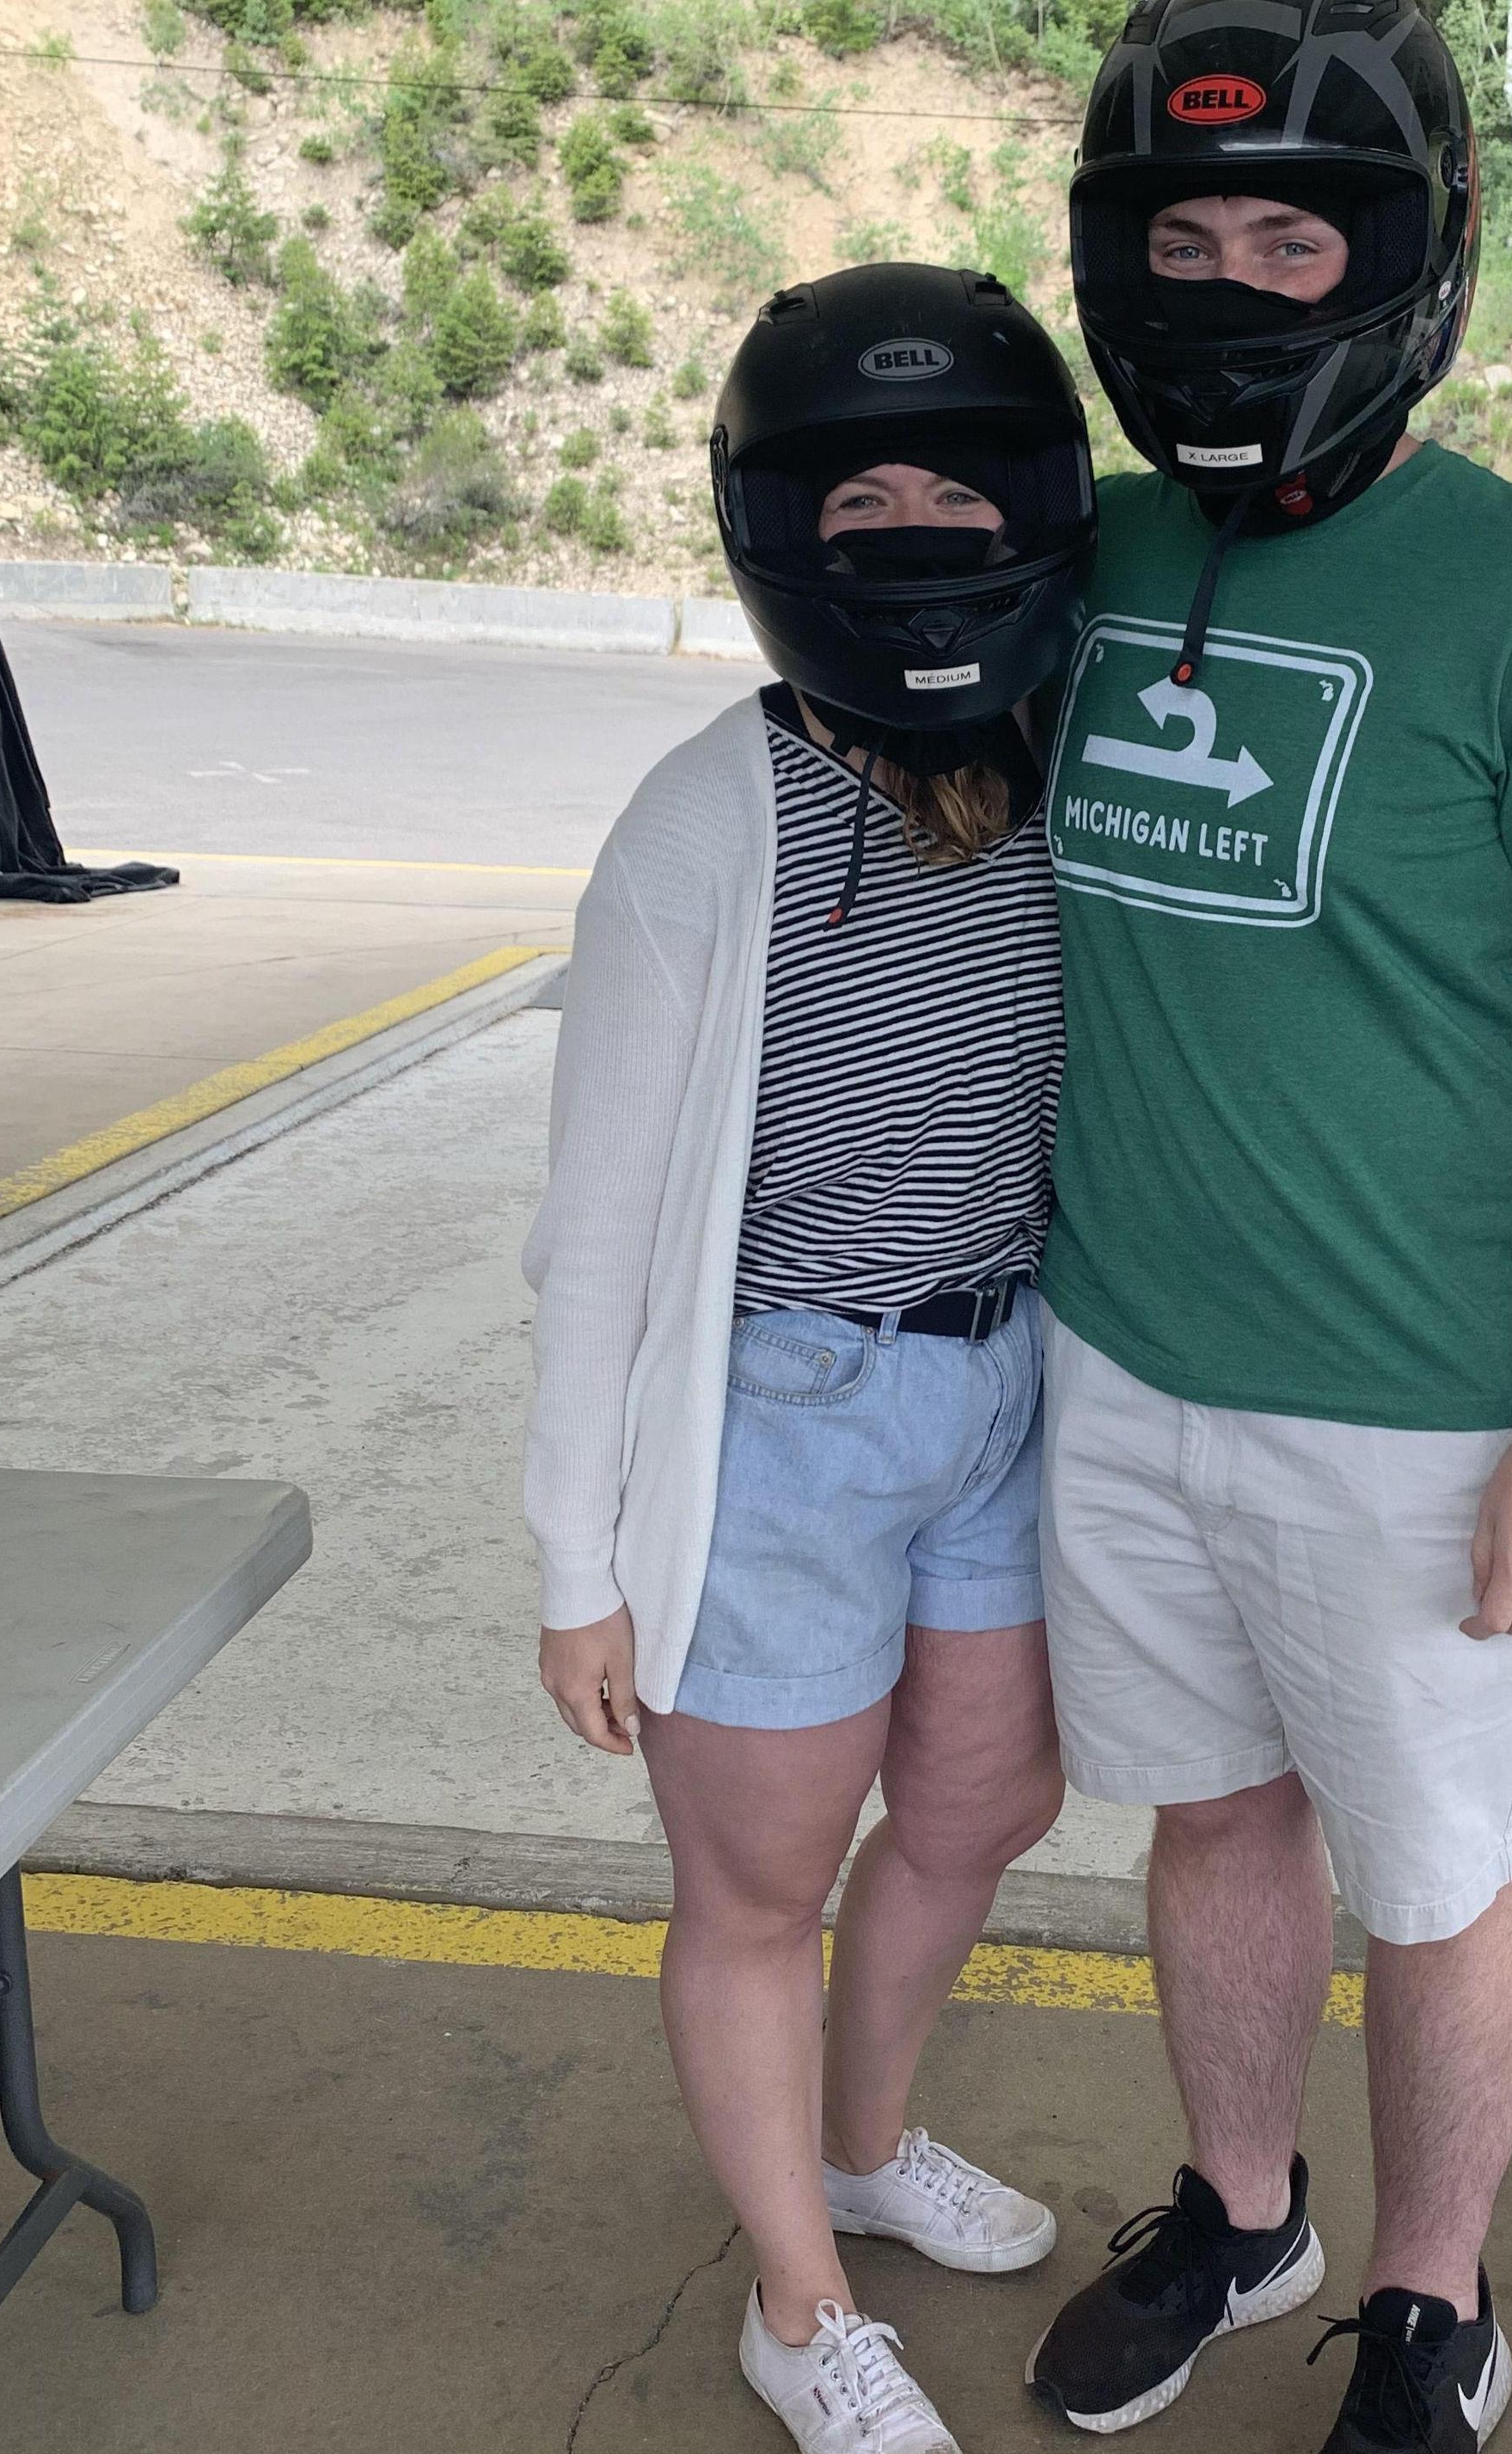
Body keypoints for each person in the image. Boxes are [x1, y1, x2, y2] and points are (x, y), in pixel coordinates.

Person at [1023, 0, 1512, 2453]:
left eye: (1286, 243)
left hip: (1420, 1404)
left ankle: (1428, 2295)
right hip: (1112, 1360)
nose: (1222, 283)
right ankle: (1237, 2203)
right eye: (1177, 232)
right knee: (1210, 1817)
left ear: (1398, 264)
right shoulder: (1064, 556)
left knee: (1432, 1870)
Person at [523, 262, 1096, 2454]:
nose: (917, 528)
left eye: (962, 486)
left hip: (1003, 1382)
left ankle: (863, 2146)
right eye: (865, 497)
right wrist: (573, 1552)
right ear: (781, 531)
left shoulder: (1058, 763)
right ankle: (795, 2299)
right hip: (780, 1413)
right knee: (758, 1885)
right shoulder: (711, 816)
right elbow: (593, 1232)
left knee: (979, 1801)